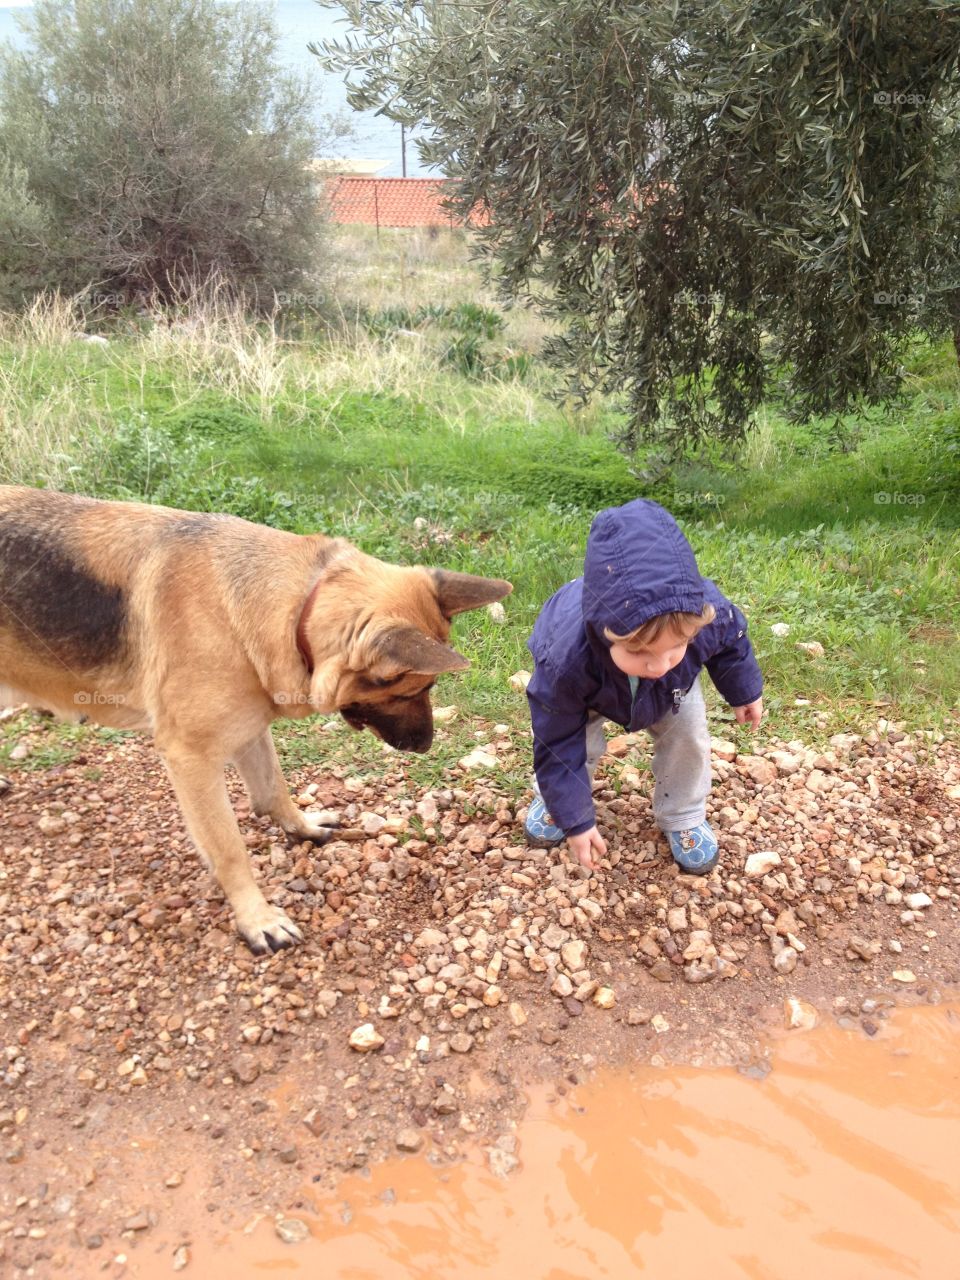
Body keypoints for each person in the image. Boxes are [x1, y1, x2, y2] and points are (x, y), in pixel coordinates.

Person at [524, 499, 764, 874]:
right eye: (640, 653)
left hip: (674, 691)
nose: (657, 665)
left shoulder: (699, 614)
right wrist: (577, 821)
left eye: (674, 649)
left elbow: (731, 641)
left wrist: (744, 691)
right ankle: (559, 805)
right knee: (578, 742)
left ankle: (683, 814)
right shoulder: (567, 660)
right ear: (605, 632)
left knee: (689, 737)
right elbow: (556, 742)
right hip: (593, 687)